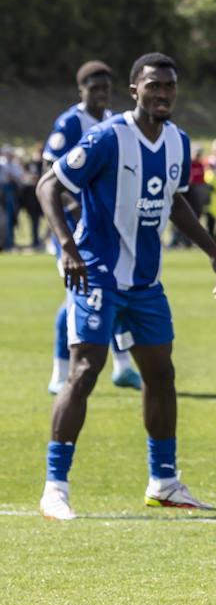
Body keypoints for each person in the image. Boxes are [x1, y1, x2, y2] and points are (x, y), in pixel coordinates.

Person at [34, 52, 216, 520]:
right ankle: (55, 487)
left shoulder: (178, 142)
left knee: (162, 375)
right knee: (85, 370)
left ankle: (164, 481)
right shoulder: (107, 138)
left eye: (170, 86)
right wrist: (67, 246)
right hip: (96, 272)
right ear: (135, 91)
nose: (163, 94)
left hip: (145, 281)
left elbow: (177, 204)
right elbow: (48, 185)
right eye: (154, 86)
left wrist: (215, 253)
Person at [41, 61, 142, 394]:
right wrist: (71, 205)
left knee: (120, 291)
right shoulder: (70, 123)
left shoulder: (113, 121)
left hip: (108, 228)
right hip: (72, 230)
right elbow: (46, 174)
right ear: (80, 90)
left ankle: (124, 366)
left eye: (105, 88)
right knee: (74, 297)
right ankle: (59, 373)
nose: (100, 94)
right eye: (93, 88)